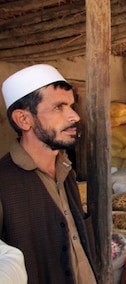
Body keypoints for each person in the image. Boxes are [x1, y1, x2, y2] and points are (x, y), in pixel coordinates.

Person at [0, 64, 98, 284]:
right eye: (58, 107)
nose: (74, 116)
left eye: (71, 106)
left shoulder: (66, 169)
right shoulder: (3, 182)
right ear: (24, 119)